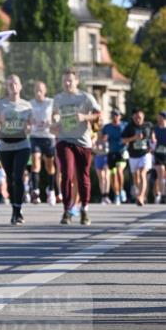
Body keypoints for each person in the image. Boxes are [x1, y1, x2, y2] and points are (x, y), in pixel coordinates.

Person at [52, 67, 100, 225]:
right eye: (65, 80)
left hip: (83, 141)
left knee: (83, 177)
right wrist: (55, 121)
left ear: (77, 81)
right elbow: (55, 115)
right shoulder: (58, 98)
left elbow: (98, 114)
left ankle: (84, 209)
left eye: (70, 80)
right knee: (66, 173)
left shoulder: (86, 97)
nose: (67, 83)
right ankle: (67, 210)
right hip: (65, 140)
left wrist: (84, 116)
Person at [0, 74, 32, 225]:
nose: (13, 86)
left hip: (22, 145)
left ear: (20, 86)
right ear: (7, 87)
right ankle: (15, 208)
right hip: (5, 146)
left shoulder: (27, 105)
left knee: (18, 177)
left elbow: (31, 126)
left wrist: (29, 127)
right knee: (10, 179)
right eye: (10, 83)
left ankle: (17, 211)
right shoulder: (1, 105)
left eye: (16, 83)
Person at [29, 81, 58, 205]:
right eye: (36, 90)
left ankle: (50, 190)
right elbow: (27, 119)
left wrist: (54, 120)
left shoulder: (50, 102)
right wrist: (30, 121)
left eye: (41, 90)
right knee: (35, 162)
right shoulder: (30, 104)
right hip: (35, 136)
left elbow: (57, 114)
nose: (38, 93)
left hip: (48, 136)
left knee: (49, 166)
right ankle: (35, 191)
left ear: (45, 91)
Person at [122, 108, 152, 206]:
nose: (138, 119)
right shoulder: (129, 127)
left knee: (143, 173)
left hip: (145, 154)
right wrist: (134, 138)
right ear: (133, 118)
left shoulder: (148, 125)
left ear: (143, 116)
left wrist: (153, 141)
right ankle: (140, 194)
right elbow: (123, 140)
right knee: (136, 178)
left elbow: (153, 135)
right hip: (133, 155)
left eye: (139, 117)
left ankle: (141, 196)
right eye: (135, 118)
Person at [102, 108, 128, 205]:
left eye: (117, 115)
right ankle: (116, 194)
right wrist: (104, 139)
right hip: (111, 153)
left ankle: (121, 190)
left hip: (121, 152)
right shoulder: (107, 127)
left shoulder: (125, 125)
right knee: (113, 175)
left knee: (119, 170)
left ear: (120, 116)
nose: (115, 117)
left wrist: (126, 141)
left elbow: (130, 136)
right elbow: (103, 138)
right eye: (113, 115)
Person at [93, 131, 111, 204]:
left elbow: (111, 148)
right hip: (98, 157)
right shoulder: (95, 139)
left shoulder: (108, 138)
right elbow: (92, 149)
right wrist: (96, 148)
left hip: (106, 158)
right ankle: (103, 196)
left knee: (106, 176)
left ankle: (106, 195)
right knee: (101, 177)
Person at [152, 111, 166, 204]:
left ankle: (159, 193)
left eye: (161, 117)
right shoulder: (155, 129)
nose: (159, 119)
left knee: (163, 176)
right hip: (158, 154)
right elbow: (152, 138)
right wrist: (153, 140)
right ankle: (161, 195)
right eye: (158, 117)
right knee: (160, 173)